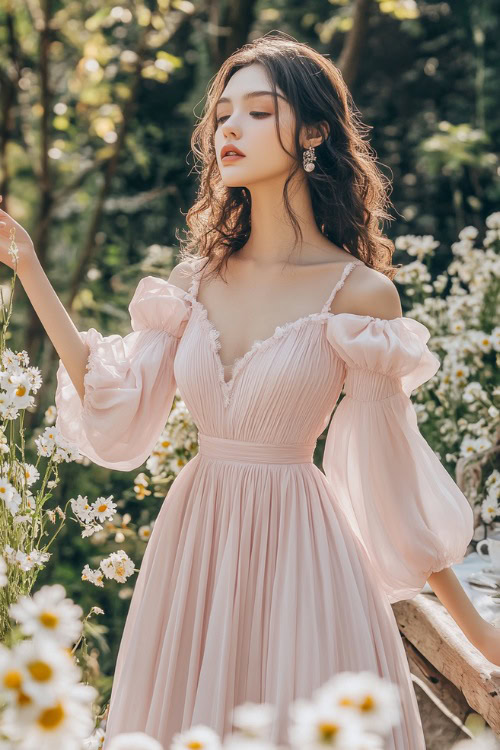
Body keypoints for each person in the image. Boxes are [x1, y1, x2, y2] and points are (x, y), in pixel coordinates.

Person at [0, 31, 498, 750]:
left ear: (316, 131)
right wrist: (28, 268)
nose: (230, 127)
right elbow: (116, 400)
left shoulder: (360, 296)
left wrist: (475, 625)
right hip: (194, 548)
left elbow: (391, 476)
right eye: (223, 113)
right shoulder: (194, 281)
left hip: (303, 556)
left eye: (259, 112)